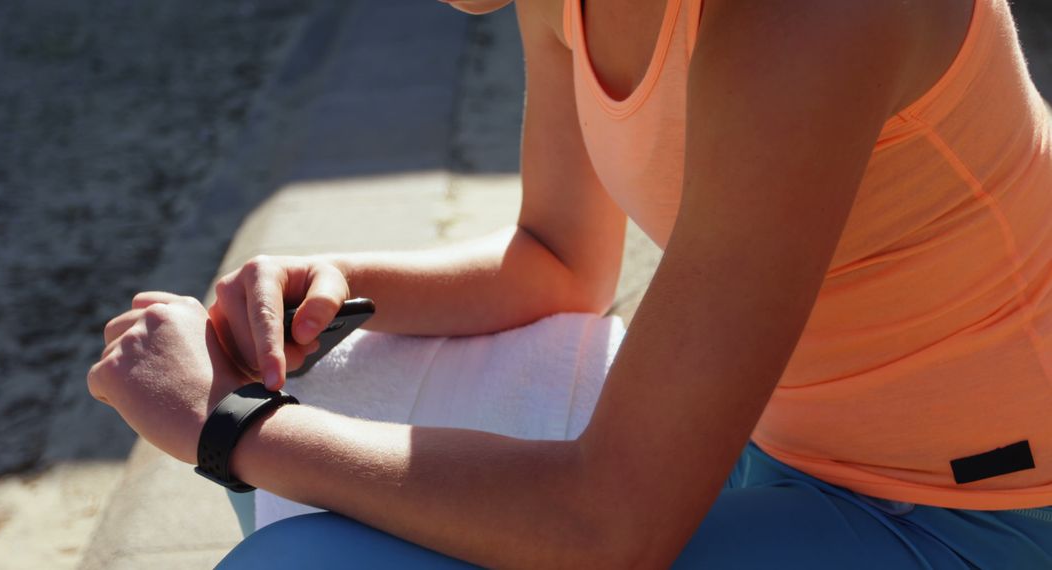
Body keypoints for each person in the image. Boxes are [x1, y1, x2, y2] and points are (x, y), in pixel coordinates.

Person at [88, 0, 1052, 567]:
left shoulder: (809, 20)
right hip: (770, 450)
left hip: (968, 518)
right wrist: (330, 284)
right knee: (324, 396)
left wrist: (225, 424)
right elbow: (557, 257)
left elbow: (612, 524)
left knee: (300, 559)